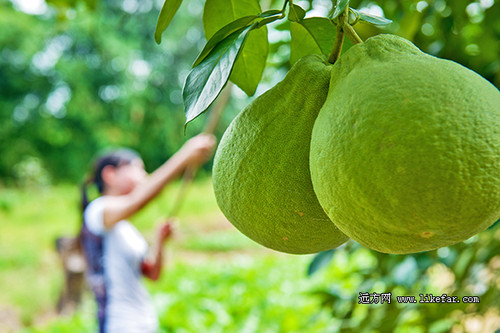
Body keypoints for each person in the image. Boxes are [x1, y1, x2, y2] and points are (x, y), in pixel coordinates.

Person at [80, 134, 216, 333]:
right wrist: (184, 156)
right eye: (138, 168)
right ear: (110, 174)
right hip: (118, 325)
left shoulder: (125, 228)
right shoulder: (97, 211)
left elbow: (152, 273)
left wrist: (159, 242)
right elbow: (138, 200)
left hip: (143, 321)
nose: (144, 175)